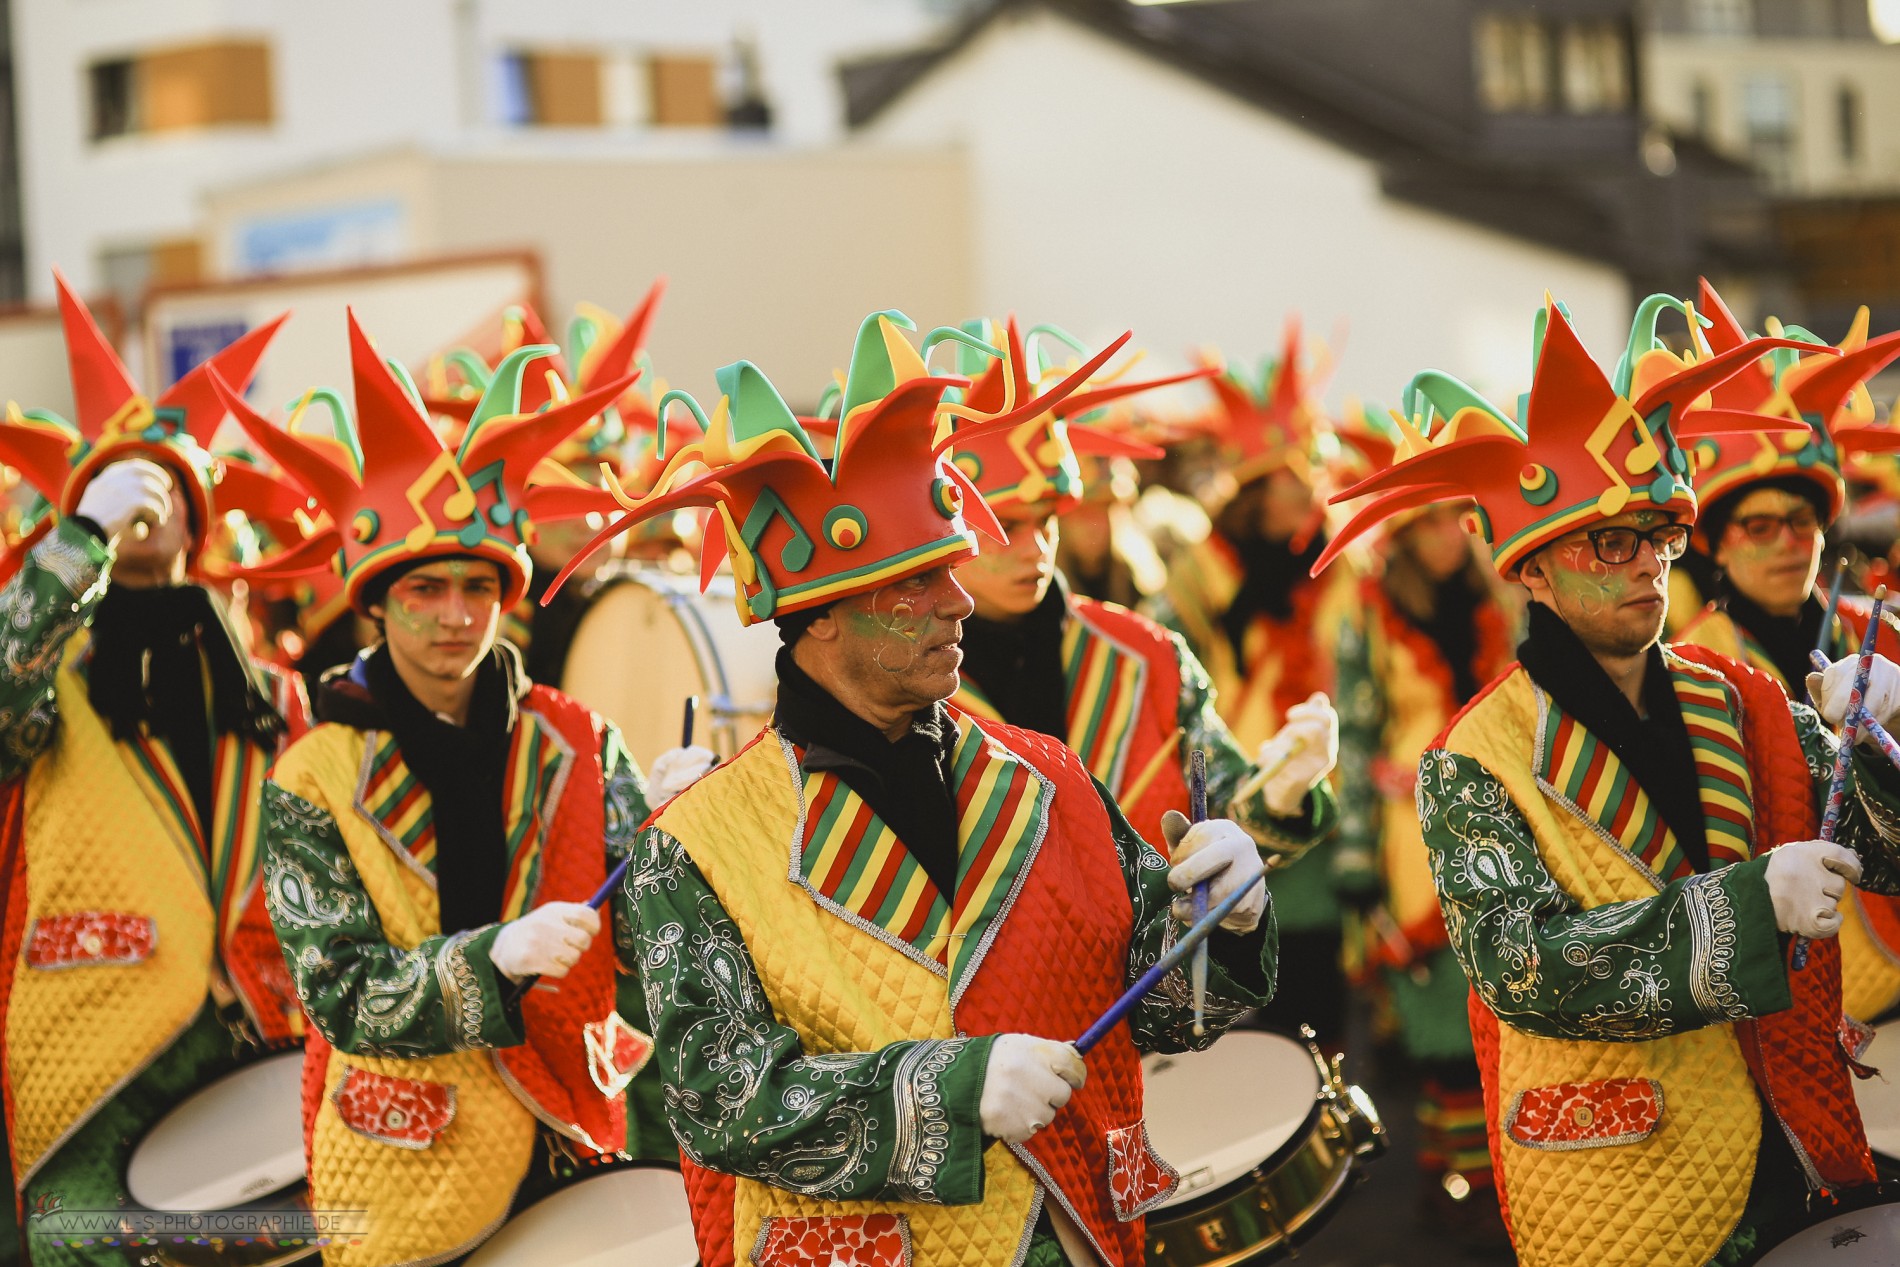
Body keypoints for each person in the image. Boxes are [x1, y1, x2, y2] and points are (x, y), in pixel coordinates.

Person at [543, 310, 1338, 1267]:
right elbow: (720, 1101)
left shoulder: (1048, 774)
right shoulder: (696, 841)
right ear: (820, 620)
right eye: (912, 584)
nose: (957, 600)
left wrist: (1227, 918)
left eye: (947, 571)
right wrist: (949, 1089)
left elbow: (1164, 1010)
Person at [1317, 292, 1900, 1267]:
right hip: (1619, 1171)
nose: (1646, 566)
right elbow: (1519, 965)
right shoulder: (1473, 753)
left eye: (1659, 536)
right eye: (1609, 541)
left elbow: (1886, 854)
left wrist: (1878, 741)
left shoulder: (1744, 696)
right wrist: (1745, 908)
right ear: (1531, 569)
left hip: (1790, 1129)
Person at [234, 312, 708, 1266]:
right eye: (425, 589)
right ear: (375, 600)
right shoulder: (313, 773)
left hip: (569, 1136)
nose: (456, 615)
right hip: (402, 1161)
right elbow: (337, 990)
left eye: (478, 589)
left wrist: (682, 833)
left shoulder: (578, 740)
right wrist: (492, 960)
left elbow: (645, 952)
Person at [0, 275, 305, 1265]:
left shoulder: (272, 692)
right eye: (122, 483)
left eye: (168, 480)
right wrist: (75, 540)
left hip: (258, 1052)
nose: (149, 500)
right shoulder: (57, 680)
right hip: (92, 1065)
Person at [944, 316, 1336, 856]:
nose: (1036, 545)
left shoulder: (1147, 658)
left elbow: (1219, 807)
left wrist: (1282, 789)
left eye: (1049, 520)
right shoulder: (898, 678)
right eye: (1007, 525)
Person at [1671, 280, 1900, 1024]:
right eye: (1756, 524)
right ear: (1716, 542)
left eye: (1799, 521)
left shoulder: (1884, 630)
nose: (1785, 543)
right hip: (1795, 991)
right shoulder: (1692, 663)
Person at [1324, 395, 1519, 1239]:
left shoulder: (1504, 596)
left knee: (1510, 987)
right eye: (1431, 518)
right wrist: (1355, 854)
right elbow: (1356, 734)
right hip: (1412, 837)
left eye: (1459, 515)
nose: (1450, 533)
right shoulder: (1367, 609)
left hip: (1499, 808)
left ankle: (1510, 1174)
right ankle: (1456, 1180)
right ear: (1401, 528)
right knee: (1439, 1007)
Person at [1150, 320, 1361, 1044]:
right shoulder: (1198, 571)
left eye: (1314, 481)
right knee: (1243, 1017)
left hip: (1313, 800)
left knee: (1317, 1012)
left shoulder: (1335, 569)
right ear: (1254, 489)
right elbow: (1169, 680)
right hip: (1229, 792)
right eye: (1294, 483)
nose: (1311, 497)